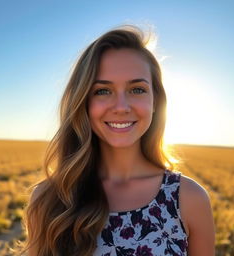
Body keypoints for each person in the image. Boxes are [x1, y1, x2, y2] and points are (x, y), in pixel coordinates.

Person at [22, 25, 215, 256]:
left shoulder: (188, 199)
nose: (122, 107)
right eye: (103, 91)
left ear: (156, 102)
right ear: (83, 102)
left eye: (137, 89)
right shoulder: (49, 199)